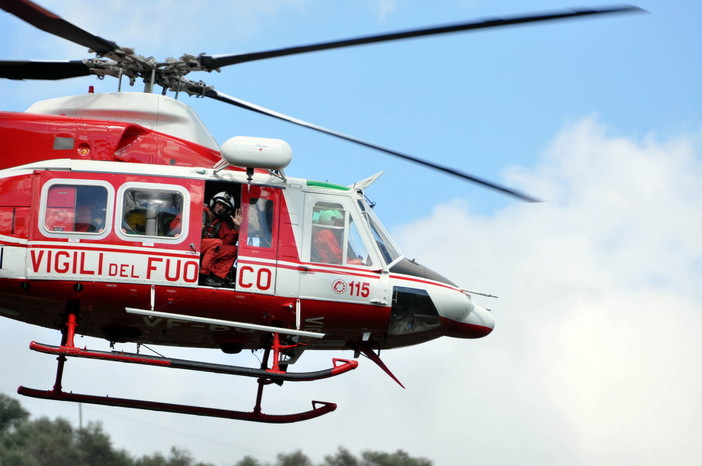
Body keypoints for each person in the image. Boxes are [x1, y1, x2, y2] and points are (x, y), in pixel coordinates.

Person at [199, 191, 242, 287]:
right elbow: (175, 225)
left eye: (225, 207)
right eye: (220, 204)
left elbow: (227, 242)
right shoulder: (198, 212)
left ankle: (216, 277)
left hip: (207, 249)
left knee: (233, 250)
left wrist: (236, 228)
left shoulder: (220, 223)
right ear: (213, 203)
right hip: (191, 245)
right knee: (217, 242)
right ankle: (203, 274)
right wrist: (194, 228)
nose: (221, 208)